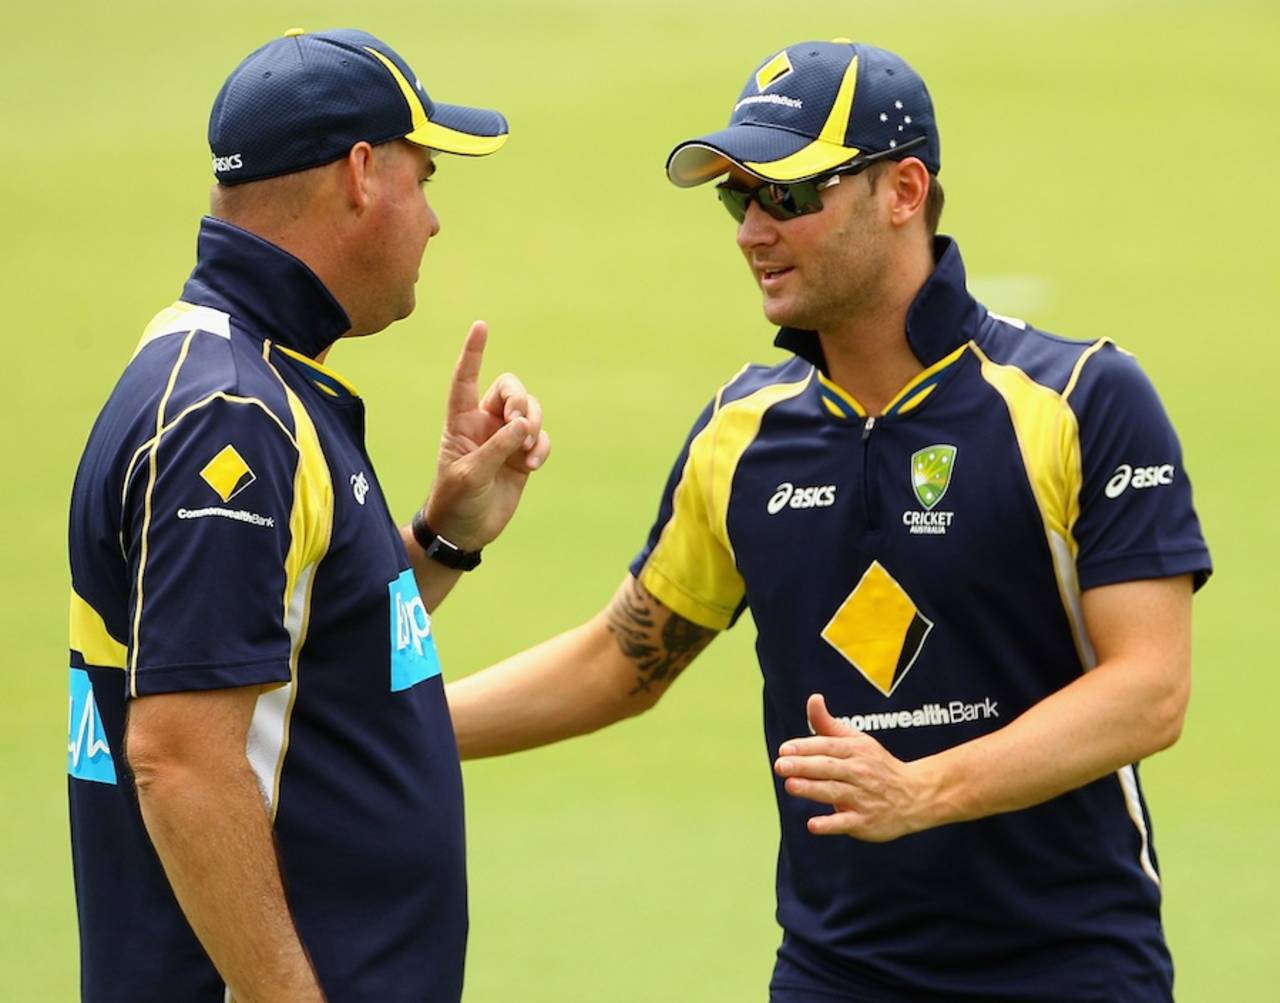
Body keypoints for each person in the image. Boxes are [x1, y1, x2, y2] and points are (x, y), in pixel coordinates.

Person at [446, 39, 1211, 1002]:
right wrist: (383, 724)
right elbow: (620, 662)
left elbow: (1150, 690)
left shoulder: (1082, 399)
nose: (751, 231)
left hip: (1071, 970)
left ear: (903, 189)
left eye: (789, 196)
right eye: (739, 199)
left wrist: (921, 790)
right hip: (833, 975)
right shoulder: (744, 432)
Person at [66, 28, 549, 1003]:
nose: (434, 221)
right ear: (361, 174)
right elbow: (181, 759)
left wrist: (445, 538)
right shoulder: (231, 420)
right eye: (425, 177)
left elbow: (291, 662)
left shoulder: (227, 373)